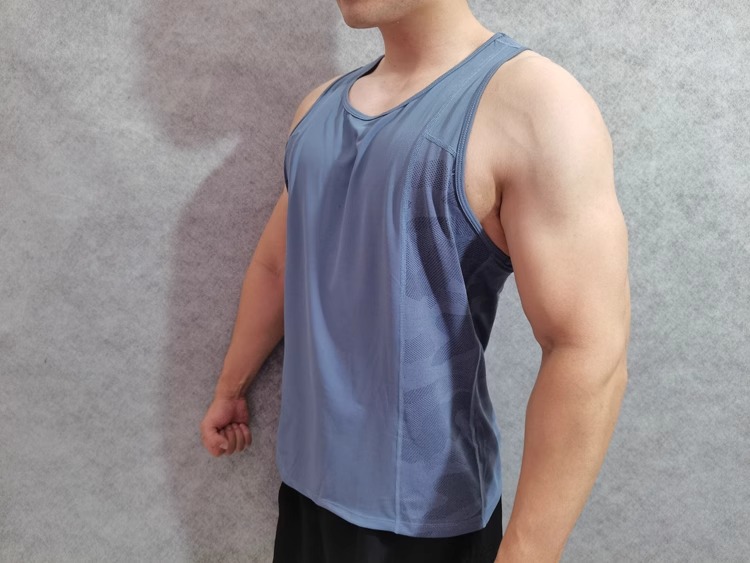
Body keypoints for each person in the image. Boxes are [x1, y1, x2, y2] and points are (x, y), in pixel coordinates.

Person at [200, 0, 631, 561]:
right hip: (306, 490)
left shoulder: (536, 105)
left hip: (425, 526)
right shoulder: (317, 109)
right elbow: (280, 266)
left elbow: (588, 349)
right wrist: (231, 387)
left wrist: (526, 553)